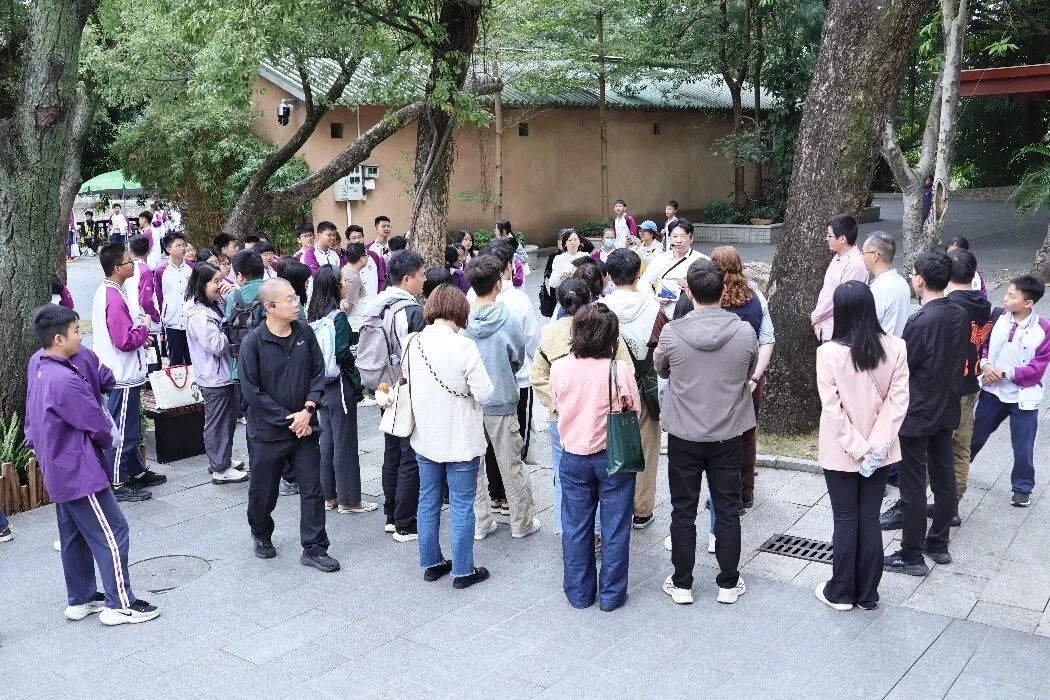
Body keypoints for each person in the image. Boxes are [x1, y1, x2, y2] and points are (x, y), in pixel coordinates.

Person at [25, 304, 161, 625]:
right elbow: (97, 422)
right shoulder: (64, 379)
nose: (81, 336)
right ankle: (120, 603)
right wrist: (110, 440)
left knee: (73, 534)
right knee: (113, 531)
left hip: (57, 465)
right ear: (59, 339)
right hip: (79, 468)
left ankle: (81, 598)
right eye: (76, 331)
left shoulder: (38, 363)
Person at [656, 259, 757, 606]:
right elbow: (748, 369)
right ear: (724, 291)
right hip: (728, 433)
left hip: (684, 434)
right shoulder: (744, 332)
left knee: (682, 509)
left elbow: (661, 368)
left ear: (689, 293)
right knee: (727, 509)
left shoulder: (672, 332)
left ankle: (682, 583)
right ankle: (728, 583)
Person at [815, 282, 909, 611]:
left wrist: (859, 448)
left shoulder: (828, 353)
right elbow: (897, 404)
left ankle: (841, 592)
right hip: (881, 453)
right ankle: (868, 594)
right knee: (869, 518)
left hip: (841, 451)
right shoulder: (896, 347)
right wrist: (876, 448)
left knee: (845, 519)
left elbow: (833, 410)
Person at [239, 278, 338, 572]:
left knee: (312, 488)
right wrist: (291, 419)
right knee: (264, 491)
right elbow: (251, 392)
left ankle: (315, 547)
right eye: (290, 299)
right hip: (268, 432)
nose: (297, 304)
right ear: (270, 307)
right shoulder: (253, 343)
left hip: (305, 427)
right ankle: (260, 531)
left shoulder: (304, 332)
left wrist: (308, 410)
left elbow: (318, 372)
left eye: (296, 297)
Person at [402, 284, 494, 588]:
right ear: (460, 311)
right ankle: (463, 570)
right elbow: (485, 392)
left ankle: (431, 563)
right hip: (460, 438)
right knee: (462, 503)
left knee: (428, 499)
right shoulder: (463, 346)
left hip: (425, 435)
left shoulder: (412, 342)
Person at [883, 252, 968, 577]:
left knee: (914, 485)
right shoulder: (959, 313)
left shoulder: (920, 321)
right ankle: (938, 543)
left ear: (920, 280)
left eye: (913, 274)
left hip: (918, 412)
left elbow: (904, 367)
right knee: (944, 479)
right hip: (946, 407)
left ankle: (912, 554)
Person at [550, 304, 639, 611]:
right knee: (615, 527)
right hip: (613, 455)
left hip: (573, 455)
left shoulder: (559, 368)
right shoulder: (619, 370)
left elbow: (556, 405)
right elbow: (634, 408)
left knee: (575, 527)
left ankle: (579, 593)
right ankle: (611, 595)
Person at [532, 280, 631, 539]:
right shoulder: (605, 327)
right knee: (606, 481)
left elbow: (538, 376)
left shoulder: (549, 333)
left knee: (565, 475)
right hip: (604, 418)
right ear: (590, 299)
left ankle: (568, 530)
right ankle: (597, 533)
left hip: (562, 418)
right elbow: (626, 371)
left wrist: (558, 403)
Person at [463, 255, 540, 540]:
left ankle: (481, 522)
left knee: (474, 467)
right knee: (512, 464)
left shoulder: (463, 319)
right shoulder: (508, 318)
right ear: (498, 283)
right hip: (502, 397)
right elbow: (518, 357)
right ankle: (522, 522)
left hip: (472, 401)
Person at [969, 275, 1050, 508]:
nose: (1005, 298)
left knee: (1024, 446)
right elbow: (984, 345)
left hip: (1024, 397)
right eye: (1006, 293)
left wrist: (1004, 373)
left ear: (1028, 303)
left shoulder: (1043, 330)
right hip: (993, 392)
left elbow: (1036, 369)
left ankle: (1022, 488)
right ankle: (959, 468)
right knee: (974, 435)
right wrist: (985, 365)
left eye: (1012, 296)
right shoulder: (998, 317)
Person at [91, 244, 164, 502]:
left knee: (130, 426)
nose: (133, 264)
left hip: (125, 372)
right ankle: (117, 483)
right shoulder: (112, 296)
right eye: (128, 261)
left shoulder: (112, 290)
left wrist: (140, 335)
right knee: (121, 429)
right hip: (121, 375)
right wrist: (144, 328)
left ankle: (135, 471)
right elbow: (123, 340)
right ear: (117, 268)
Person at [365, 250, 427, 541]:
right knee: (409, 455)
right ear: (406, 279)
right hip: (406, 388)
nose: (424, 280)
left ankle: (391, 515)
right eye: (421, 275)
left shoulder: (377, 304)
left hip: (382, 386)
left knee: (391, 452)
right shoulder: (411, 311)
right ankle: (405, 522)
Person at [711, 246, 775, 511]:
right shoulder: (756, 296)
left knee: (721, 437)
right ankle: (746, 490)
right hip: (750, 377)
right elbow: (767, 339)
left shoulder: (712, 298)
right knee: (747, 435)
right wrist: (756, 376)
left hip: (717, 379)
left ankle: (727, 493)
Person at [306, 266, 374, 514]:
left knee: (327, 441)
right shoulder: (339, 318)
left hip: (320, 385)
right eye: (343, 281)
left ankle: (329, 495)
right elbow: (343, 353)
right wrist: (356, 376)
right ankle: (349, 499)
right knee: (345, 442)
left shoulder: (312, 315)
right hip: (339, 384)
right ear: (334, 286)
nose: (346, 284)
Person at [603, 249, 662, 530]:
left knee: (609, 444)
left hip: (609, 388)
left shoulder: (600, 309)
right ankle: (641, 509)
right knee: (647, 446)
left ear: (609, 276)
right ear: (639, 274)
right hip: (645, 386)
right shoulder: (655, 308)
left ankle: (615, 505)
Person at [184, 263, 250, 484]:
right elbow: (217, 345)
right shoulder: (199, 316)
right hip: (214, 376)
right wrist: (230, 328)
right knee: (218, 422)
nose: (220, 285)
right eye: (215, 281)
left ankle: (223, 459)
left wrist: (231, 294)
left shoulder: (213, 303)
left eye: (221, 279)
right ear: (202, 284)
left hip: (222, 373)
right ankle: (220, 468)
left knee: (227, 420)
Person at [811, 214, 869, 342]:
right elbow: (827, 290)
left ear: (842, 238)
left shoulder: (855, 265)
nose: (826, 239)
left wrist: (816, 316)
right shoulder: (837, 257)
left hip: (841, 334)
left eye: (829, 236)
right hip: (827, 329)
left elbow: (841, 299)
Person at [641, 219, 708, 318]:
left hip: (693, 318)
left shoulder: (703, 260)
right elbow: (643, 283)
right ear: (669, 238)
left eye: (683, 236)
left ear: (691, 238)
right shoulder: (660, 259)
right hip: (664, 318)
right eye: (675, 236)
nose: (678, 240)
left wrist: (692, 288)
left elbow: (711, 290)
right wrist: (654, 300)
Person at [154, 232, 194, 366]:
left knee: (192, 359)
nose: (183, 248)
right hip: (172, 322)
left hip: (190, 321)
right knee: (175, 361)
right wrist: (161, 322)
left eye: (184, 245)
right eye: (178, 246)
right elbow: (159, 297)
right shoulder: (161, 271)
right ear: (168, 249)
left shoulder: (192, 268)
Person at [862, 232, 911, 337]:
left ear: (874, 256)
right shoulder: (902, 283)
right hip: (900, 345)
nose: (862, 257)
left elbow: (867, 328)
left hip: (882, 345)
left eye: (863, 253)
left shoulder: (878, 290)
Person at [340, 243, 371, 335]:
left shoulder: (344, 270)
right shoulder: (353, 277)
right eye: (366, 255)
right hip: (355, 325)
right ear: (361, 258)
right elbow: (348, 307)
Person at [347, 224, 387, 293]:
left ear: (363, 237)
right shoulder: (346, 258)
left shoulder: (373, 255)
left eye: (359, 237)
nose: (357, 240)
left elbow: (381, 279)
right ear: (349, 240)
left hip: (374, 298)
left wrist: (379, 294)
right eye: (354, 238)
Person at [495, 219, 529, 286]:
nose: (495, 230)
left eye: (497, 228)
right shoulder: (499, 240)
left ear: (504, 230)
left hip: (514, 274)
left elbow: (525, 257)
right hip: (504, 273)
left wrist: (515, 256)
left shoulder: (513, 243)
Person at [277, 258, 311, 323]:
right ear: (298, 281)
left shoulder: (296, 297)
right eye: (306, 279)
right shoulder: (289, 303)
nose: (308, 282)